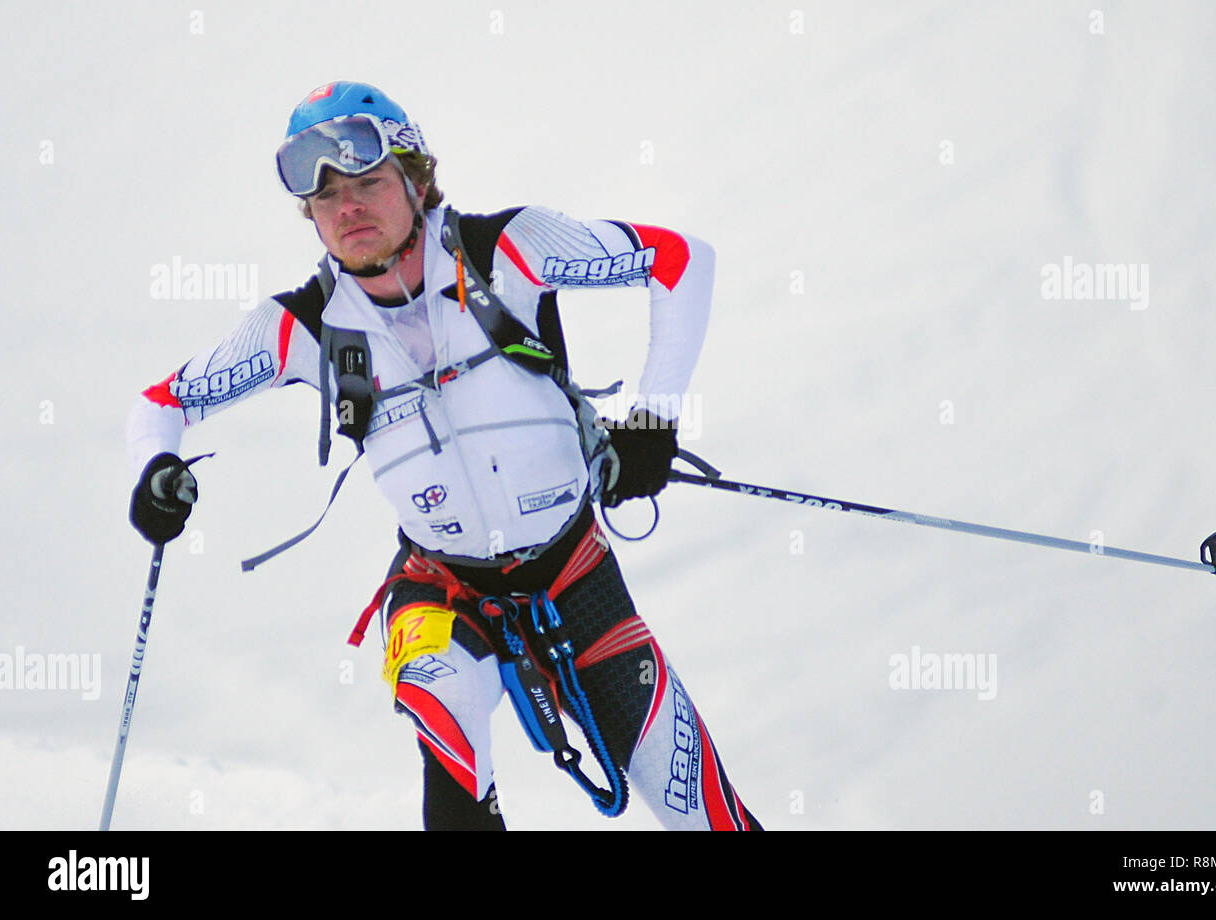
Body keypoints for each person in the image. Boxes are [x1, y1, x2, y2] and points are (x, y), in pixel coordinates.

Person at [126, 81, 761, 831]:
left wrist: (654, 418)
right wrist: (153, 477)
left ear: (417, 178)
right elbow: (163, 404)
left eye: (366, 182)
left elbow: (682, 262)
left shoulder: (511, 250)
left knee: (705, 817)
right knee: (444, 700)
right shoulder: (301, 325)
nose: (347, 207)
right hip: (440, 587)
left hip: (575, 574)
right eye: (326, 198)